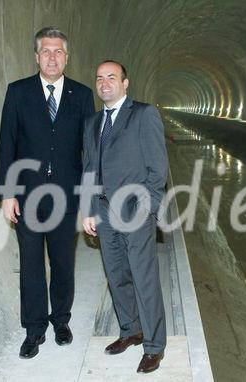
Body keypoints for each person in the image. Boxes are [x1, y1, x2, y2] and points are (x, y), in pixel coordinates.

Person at [0, 27, 95, 359]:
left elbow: (89, 151)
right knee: (32, 266)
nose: (53, 57)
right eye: (46, 52)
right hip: (28, 197)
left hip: (67, 195)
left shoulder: (81, 96)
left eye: (59, 52)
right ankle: (34, 329)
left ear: (67, 57)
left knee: (64, 263)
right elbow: (6, 144)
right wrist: (7, 194)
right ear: (36, 56)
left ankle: (61, 321)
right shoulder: (18, 93)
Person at [82, 60, 168, 373]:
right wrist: (89, 209)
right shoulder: (93, 123)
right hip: (103, 211)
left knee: (144, 278)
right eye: (100, 78)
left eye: (112, 77)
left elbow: (158, 170)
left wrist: (147, 209)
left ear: (125, 83)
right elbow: (89, 167)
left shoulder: (144, 115)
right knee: (116, 274)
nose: (105, 83)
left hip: (135, 210)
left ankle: (155, 346)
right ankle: (131, 330)